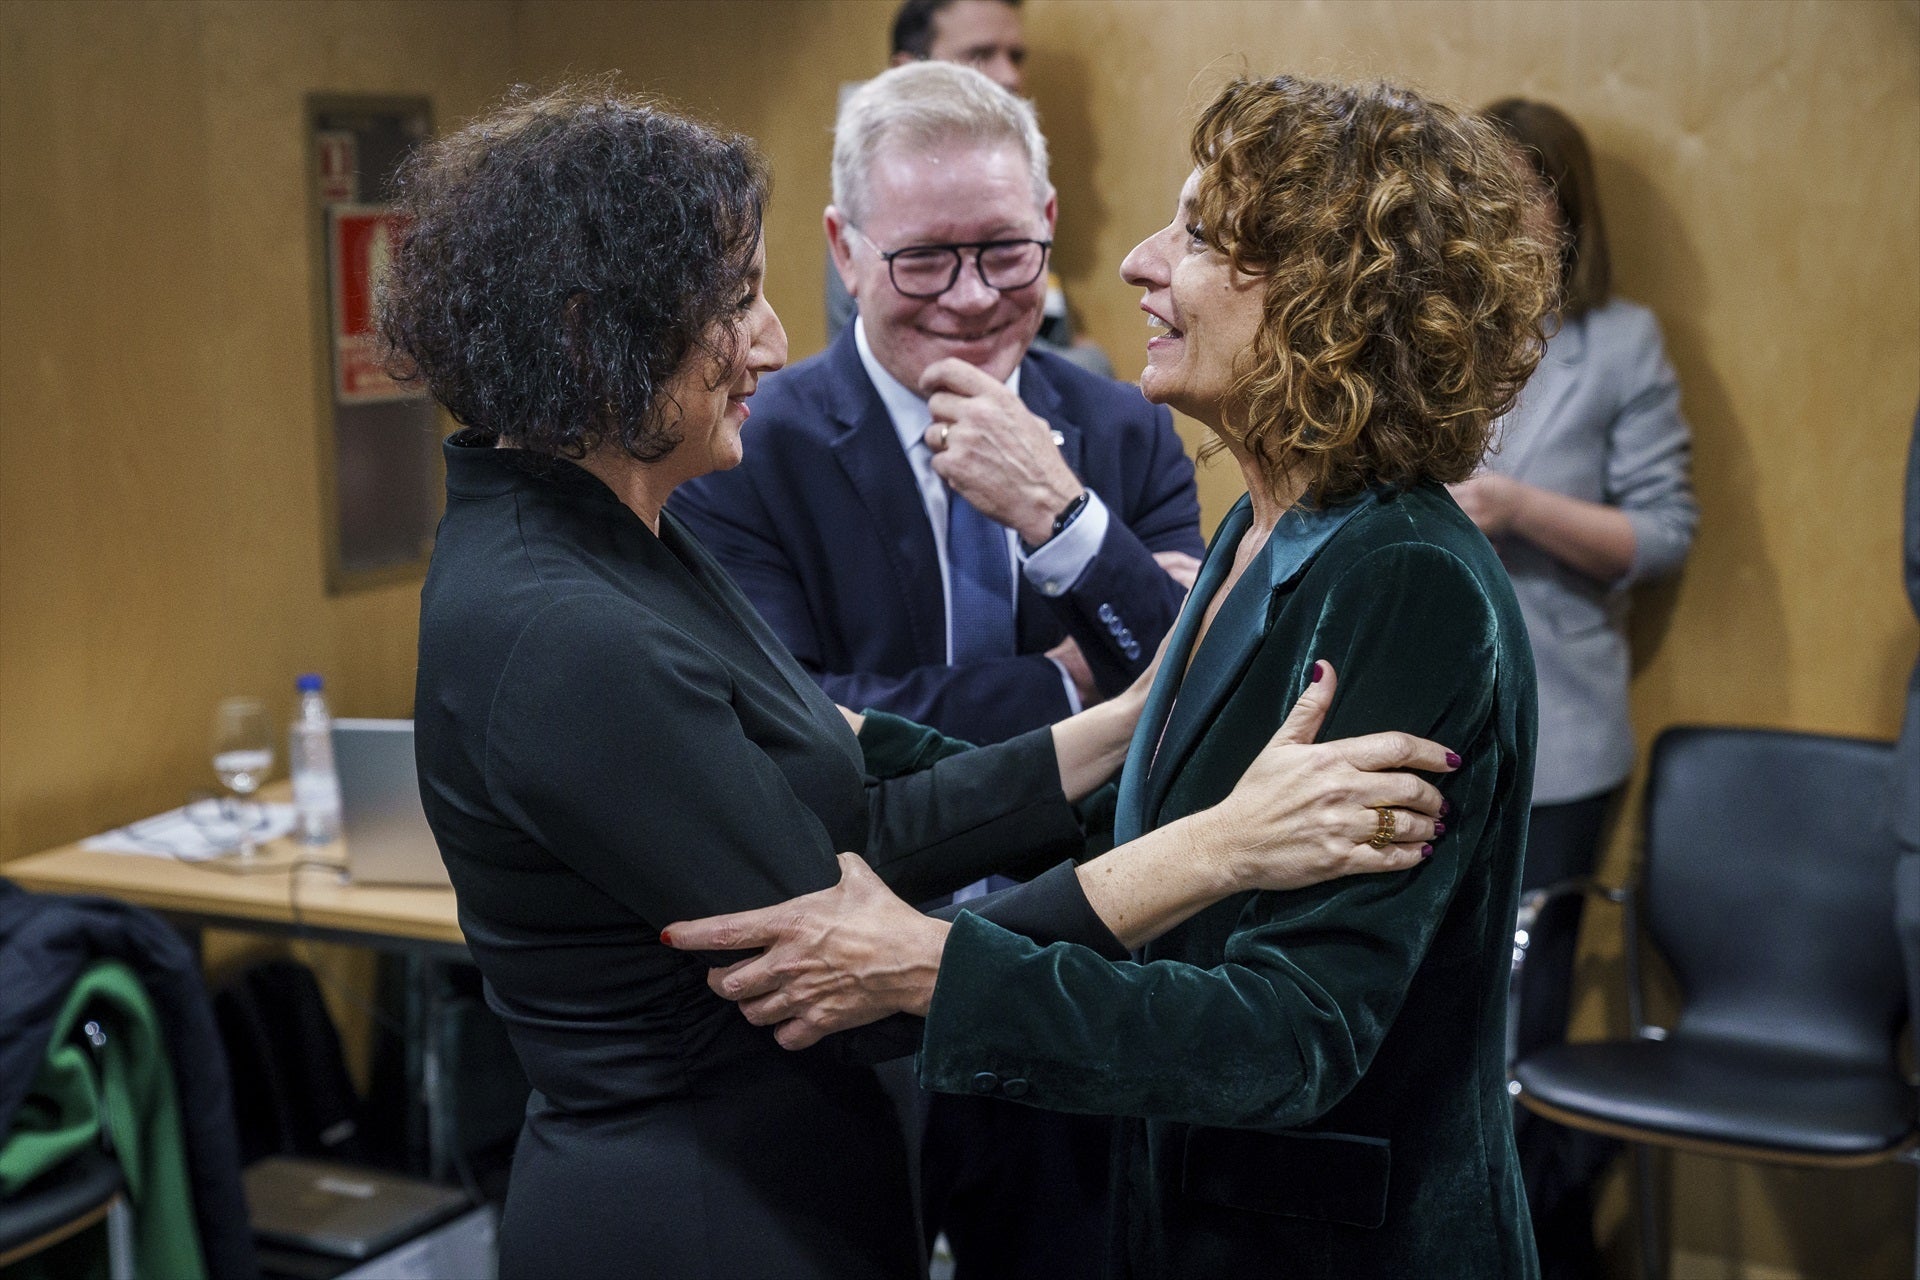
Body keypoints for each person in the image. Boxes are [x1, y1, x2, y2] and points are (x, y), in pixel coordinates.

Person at [385, 84, 1455, 1279]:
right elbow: (864, 972)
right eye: (732, 303)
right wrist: (1218, 846)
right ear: (598, 335)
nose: (773, 340)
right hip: (700, 1217)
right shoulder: (561, 618)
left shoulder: (614, 529)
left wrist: (1139, 713)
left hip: (803, 1178)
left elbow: (863, 817)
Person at [670, 73, 1559, 1280]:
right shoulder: (1267, 521)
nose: (1138, 262)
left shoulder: (1404, 582)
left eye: (1196, 234)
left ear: (1324, 297)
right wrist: (835, 735)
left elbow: (1295, 1029)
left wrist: (939, 970)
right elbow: (1134, 802)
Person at [673, 59, 1202, 1278]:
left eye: (1004, 251)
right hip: (846, 989)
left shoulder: (1122, 426)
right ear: (844, 248)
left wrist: (1065, 517)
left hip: (1071, 971)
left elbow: (1195, 690)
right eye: (924, 258)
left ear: (1052, 230)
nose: (971, 297)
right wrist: (1075, 686)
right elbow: (799, 722)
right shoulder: (747, 442)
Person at [1459, 98, 1699, 1278]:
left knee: (1523, 1019)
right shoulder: (1425, 325)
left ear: (1567, 206)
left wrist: (1515, 509)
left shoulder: (1622, 345)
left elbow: (1662, 536)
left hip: (1564, 729)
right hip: (1430, 718)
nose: (1496, 207)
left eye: (1520, 185)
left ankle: (1535, 1237)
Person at [826, 0, 1112, 375]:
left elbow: (1049, 334)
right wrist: (1092, 364)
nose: (1009, 76)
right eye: (980, 54)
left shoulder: (1012, 181)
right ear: (908, 69)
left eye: (1016, 56)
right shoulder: (876, 199)